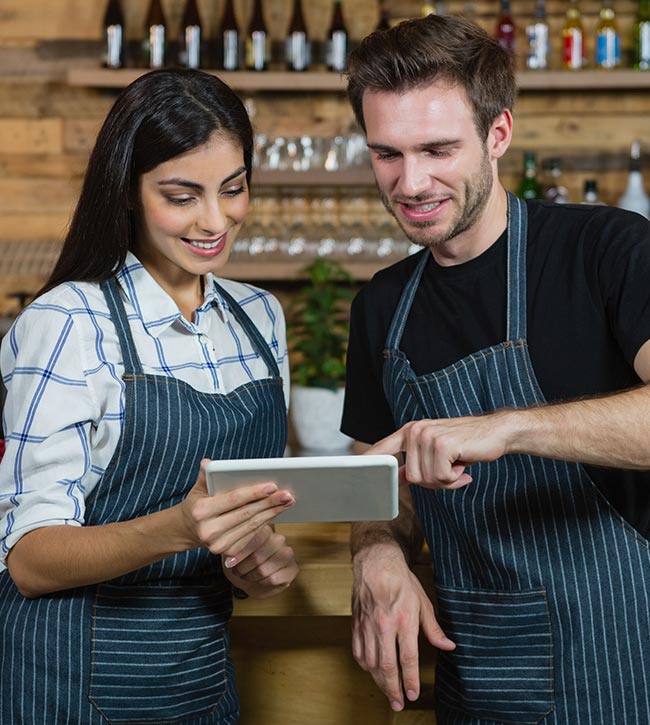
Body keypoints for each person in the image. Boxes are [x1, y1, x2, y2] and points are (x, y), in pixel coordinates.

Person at [341, 14, 650, 725]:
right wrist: (377, 550)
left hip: (625, 667)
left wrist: (504, 428)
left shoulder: (605, 251)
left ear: (498, 134)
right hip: (482, 672)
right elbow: (377, 480)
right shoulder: (383, 305)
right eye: (387, 153)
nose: (410, 182)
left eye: (438, 149)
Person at [0, 68, 299, 724]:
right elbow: (28, 558)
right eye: (181, 195)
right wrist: (180, 526)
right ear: (129, 192)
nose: (215, 220)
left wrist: (257, 558)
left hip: (201, 680)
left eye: (234, 188)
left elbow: (239, 520)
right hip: (69, 681)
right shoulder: (69, 322)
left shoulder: (260, 317)